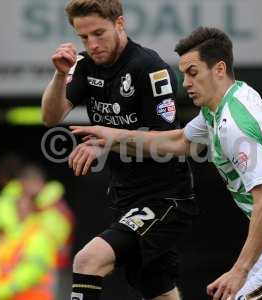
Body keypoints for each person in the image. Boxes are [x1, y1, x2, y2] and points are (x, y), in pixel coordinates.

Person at [70, 27, 262, 300]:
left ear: (218, 69)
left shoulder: (235, 126)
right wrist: (112, 136)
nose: (186, 83)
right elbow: (180, 142)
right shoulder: (229, 100)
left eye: (193, 72)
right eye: (183, 74)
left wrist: (239, 271)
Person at [41, 1, 197, 299]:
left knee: (87, 261)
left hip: (166, 199)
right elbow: (50, 117)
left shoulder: (148, 67)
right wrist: (60, 76)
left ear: (120, 24)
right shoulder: (85, 66)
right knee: (158, 290)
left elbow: (167, 142)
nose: (92, 44)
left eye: (99, 33)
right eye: (84, 37)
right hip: (127, 197)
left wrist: (106, 139)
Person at [0, 164, 72, 300]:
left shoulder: (39, 233)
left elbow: (33, 270)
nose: (19, 207)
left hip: (38, 288)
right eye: (18, 202)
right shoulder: (10, 237)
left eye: (24, 202)